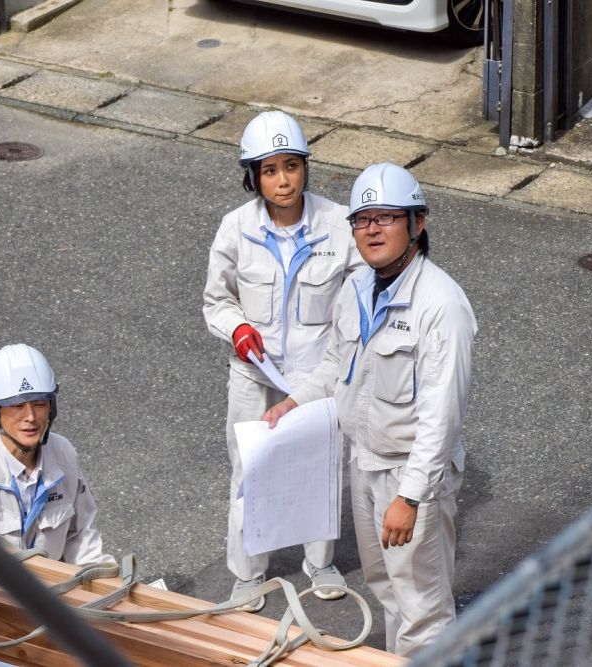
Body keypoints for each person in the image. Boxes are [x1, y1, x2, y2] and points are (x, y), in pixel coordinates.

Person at [262, 163, 477, 655]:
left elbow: (442, 416)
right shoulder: (358, 287)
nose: (373, 229)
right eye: (363, 219)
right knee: (387, 588)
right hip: (365, 465)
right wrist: (295, 401)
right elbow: (338, 363)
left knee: (422, 606)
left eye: (387, 217)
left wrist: (412, 496)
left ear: (417, 224)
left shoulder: (440, 305)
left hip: (408, 475)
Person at [203, 110, 366, 612]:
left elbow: (358, 296)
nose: (282, 180)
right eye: (269, 170)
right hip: (253, 372)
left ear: (305, 169)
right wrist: (238, 329)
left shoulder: (338, 225)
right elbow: (216, 300)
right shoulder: (235, 228)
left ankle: (320, 562)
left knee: (320, 463)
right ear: (252, 176)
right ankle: (248, 573)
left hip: (317, 373)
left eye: (291, 167)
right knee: (250, 468)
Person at [0, 344, 116, 567]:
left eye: (39, 404)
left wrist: (107, 584)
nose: (30, 417)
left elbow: (81, 537)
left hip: (49, 594)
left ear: (51, 407)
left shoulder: (63, 454)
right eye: (17, 406)